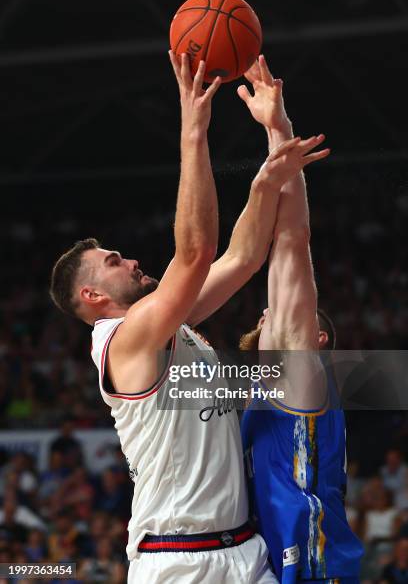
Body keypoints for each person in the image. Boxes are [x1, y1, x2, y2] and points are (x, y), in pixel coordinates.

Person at [50, 51, 327, 583]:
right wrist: (193, 130)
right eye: (113, 262)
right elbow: (195, 253)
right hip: (178, 561)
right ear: (91, 295)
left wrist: (268, 173)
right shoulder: (123, 342)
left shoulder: (166, 326)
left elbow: (243, 258)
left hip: (246, 551)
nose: (129, 260)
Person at [239, 56, 363, 582]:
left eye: (285, 314)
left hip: (312, 560)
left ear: (316, 337)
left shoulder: (299, 373)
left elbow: (290, 243)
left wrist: (278, 131)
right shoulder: (263, 390)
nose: (269, 311)